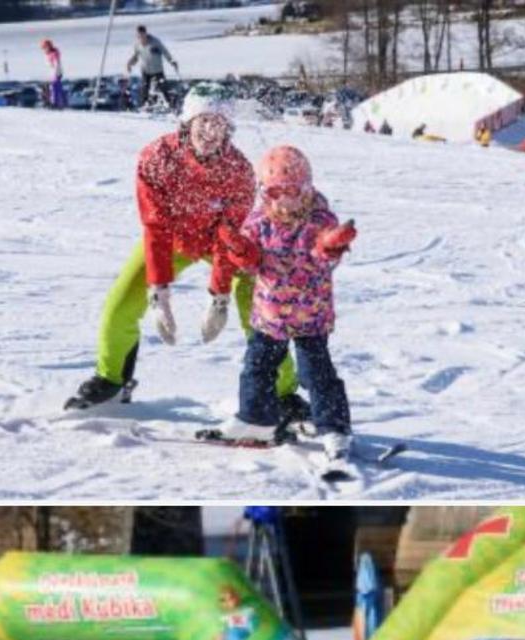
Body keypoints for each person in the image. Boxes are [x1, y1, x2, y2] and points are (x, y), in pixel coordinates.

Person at [65, 95, 297, 416]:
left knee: (258, 303)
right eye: (203, 122)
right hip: (172, 240)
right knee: (121, 302)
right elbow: (156, 227)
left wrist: (219, 297)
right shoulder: (156, 158)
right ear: (187, 124)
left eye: (219, 125)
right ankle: (112, 379)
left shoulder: (239, 171)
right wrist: (158, 293)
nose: (210, 132)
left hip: (222, 245)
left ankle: (283, 393)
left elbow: (228, 238)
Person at [214, 145, 355, 458]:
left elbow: (322, 253)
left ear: (307, 188)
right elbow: (251, 263)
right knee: (257, 367)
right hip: (270, 313)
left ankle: (334, 428)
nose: (285, 200)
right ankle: (255, 419)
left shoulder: (319, 218)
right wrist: (241, 250)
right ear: (265, 192)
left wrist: (330, 246)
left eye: (294, 190)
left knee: (316, 373)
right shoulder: (259, 221)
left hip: (310, 315)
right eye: (276, 192)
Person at [125, 24, 180, 109]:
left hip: (157, 70)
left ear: (145, 33)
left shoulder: (155, 42)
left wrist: (172, 61)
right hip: (145, 70)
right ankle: (144, 106)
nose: (141, 38)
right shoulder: (137, 45)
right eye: (139, 36)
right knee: (144, 88)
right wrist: (129, 64)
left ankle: (170, 105)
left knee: (163, 87)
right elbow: (136, 57)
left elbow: (165, 52)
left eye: (142, 35)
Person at [40, 38, 66, 109]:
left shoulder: (53, 54)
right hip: (52, 74)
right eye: (43, 48)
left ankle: (56, 104)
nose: (44, 50)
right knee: (49, 87)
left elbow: (56, 65)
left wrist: (55, 74)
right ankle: (50, 102)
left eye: (45, 48)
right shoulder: (49, 54)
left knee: (55, 89)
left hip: (56, 73)